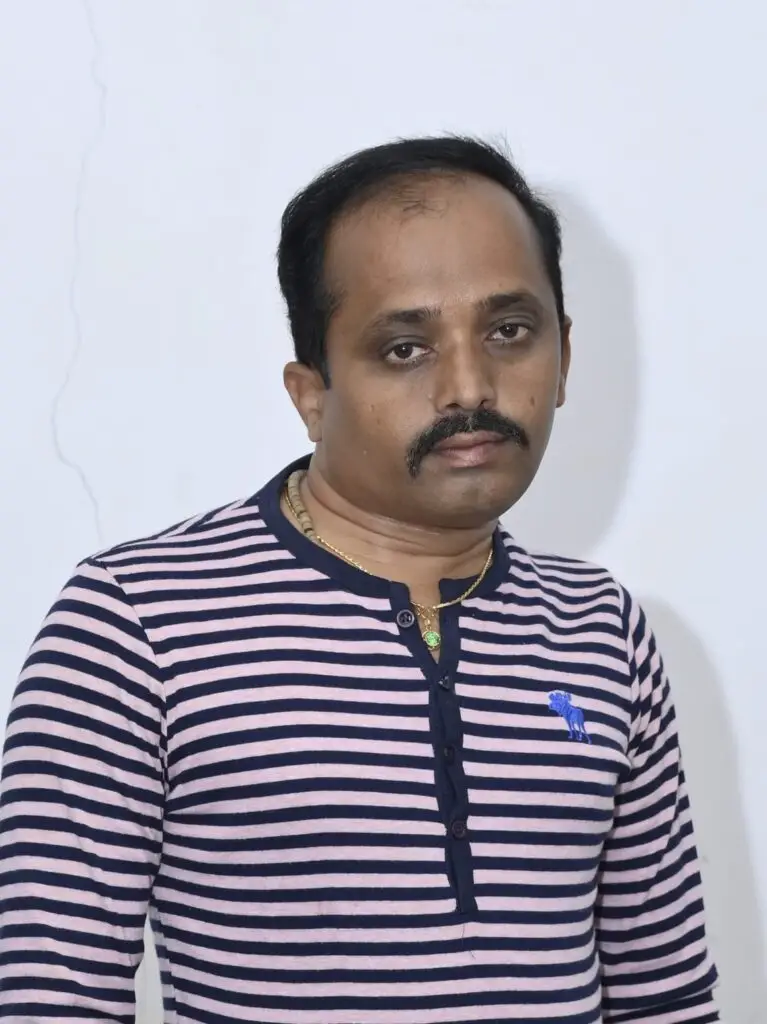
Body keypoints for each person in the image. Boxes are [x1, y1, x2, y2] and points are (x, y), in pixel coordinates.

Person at [0, 136, 719, 1024]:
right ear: (311, 393)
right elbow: (48, 998)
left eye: (508, 331)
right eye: (404, 347)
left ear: (563, 355)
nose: (469, 387)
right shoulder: (136, 623)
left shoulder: (602, 629)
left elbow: (665, 996)